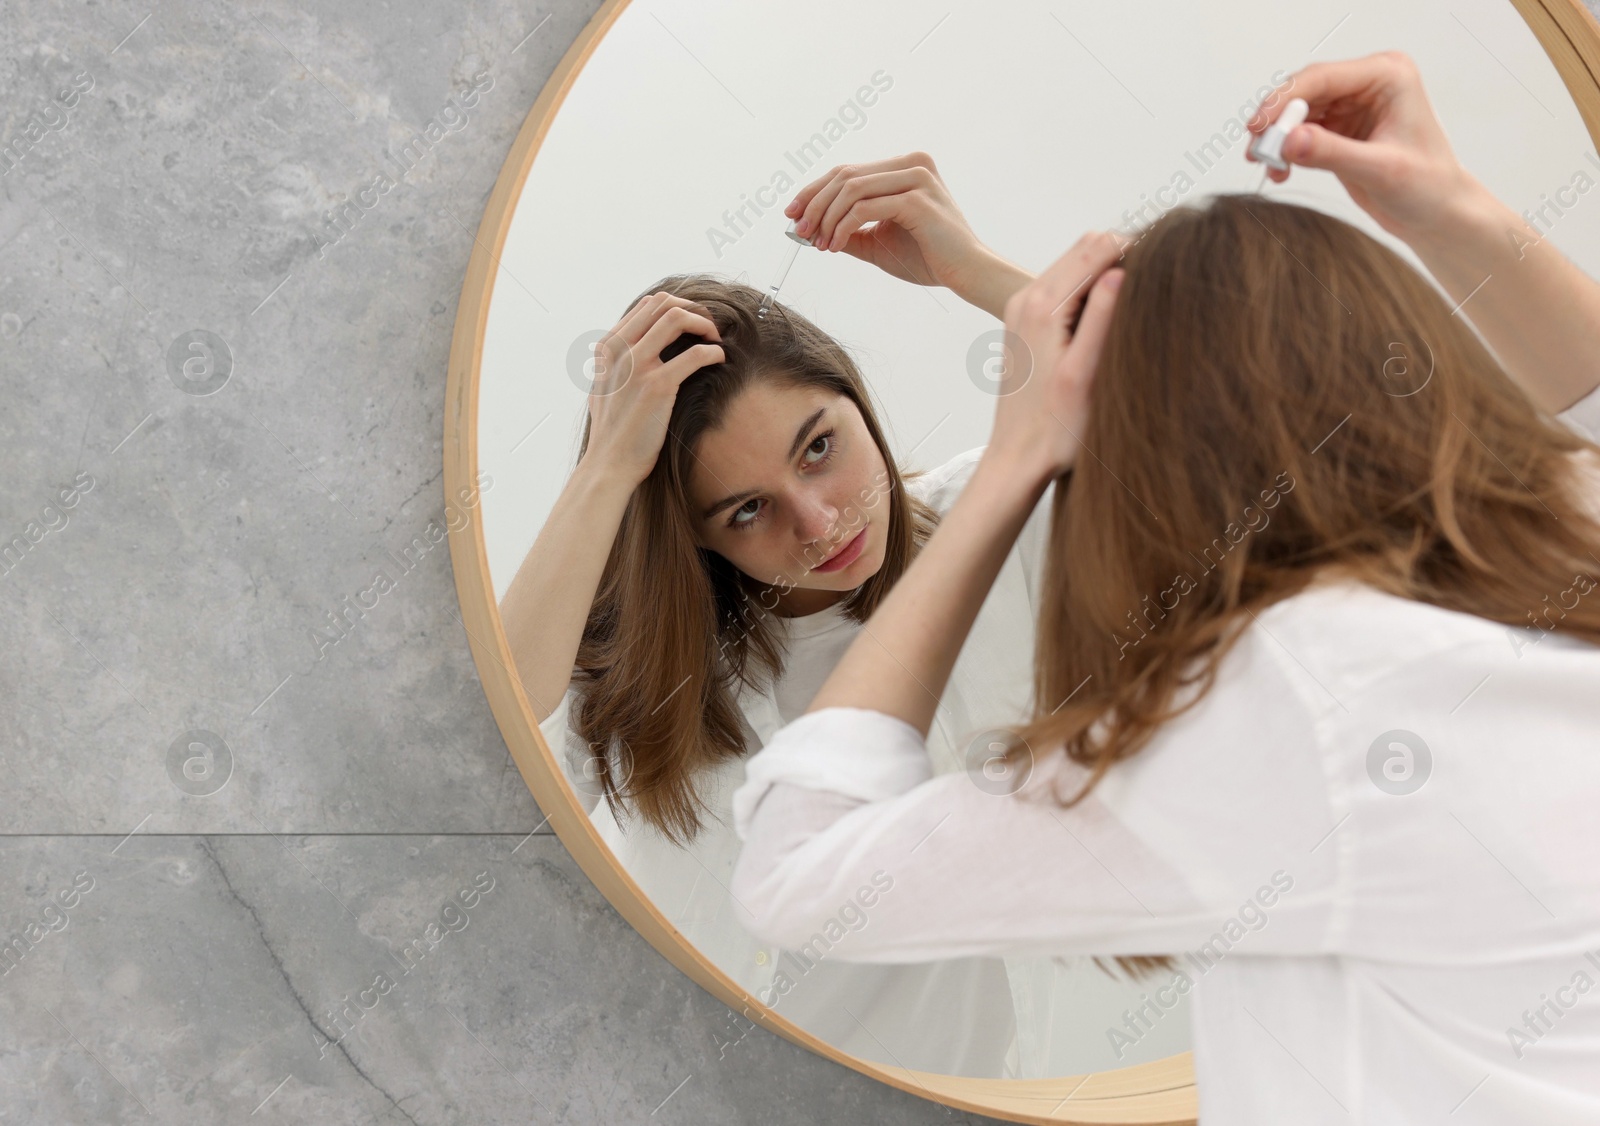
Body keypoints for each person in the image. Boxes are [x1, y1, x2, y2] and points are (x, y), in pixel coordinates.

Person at [729, 51, 1600, 1121]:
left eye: (820, 452)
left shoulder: (1279, 709)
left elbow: (801, 873)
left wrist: (1012, 463)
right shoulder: (1544, 569)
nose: (815, 522)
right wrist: (1446, 207)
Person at [500, 155, 1079, 1077]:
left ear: (857, 401)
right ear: (699, 542)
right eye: (745, 510)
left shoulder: (995, 518)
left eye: (819, 448)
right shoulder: (649, 684)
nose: (820, 522)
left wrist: (975, 273)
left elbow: (1237, 421)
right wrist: (608, 467)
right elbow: (485, 732)